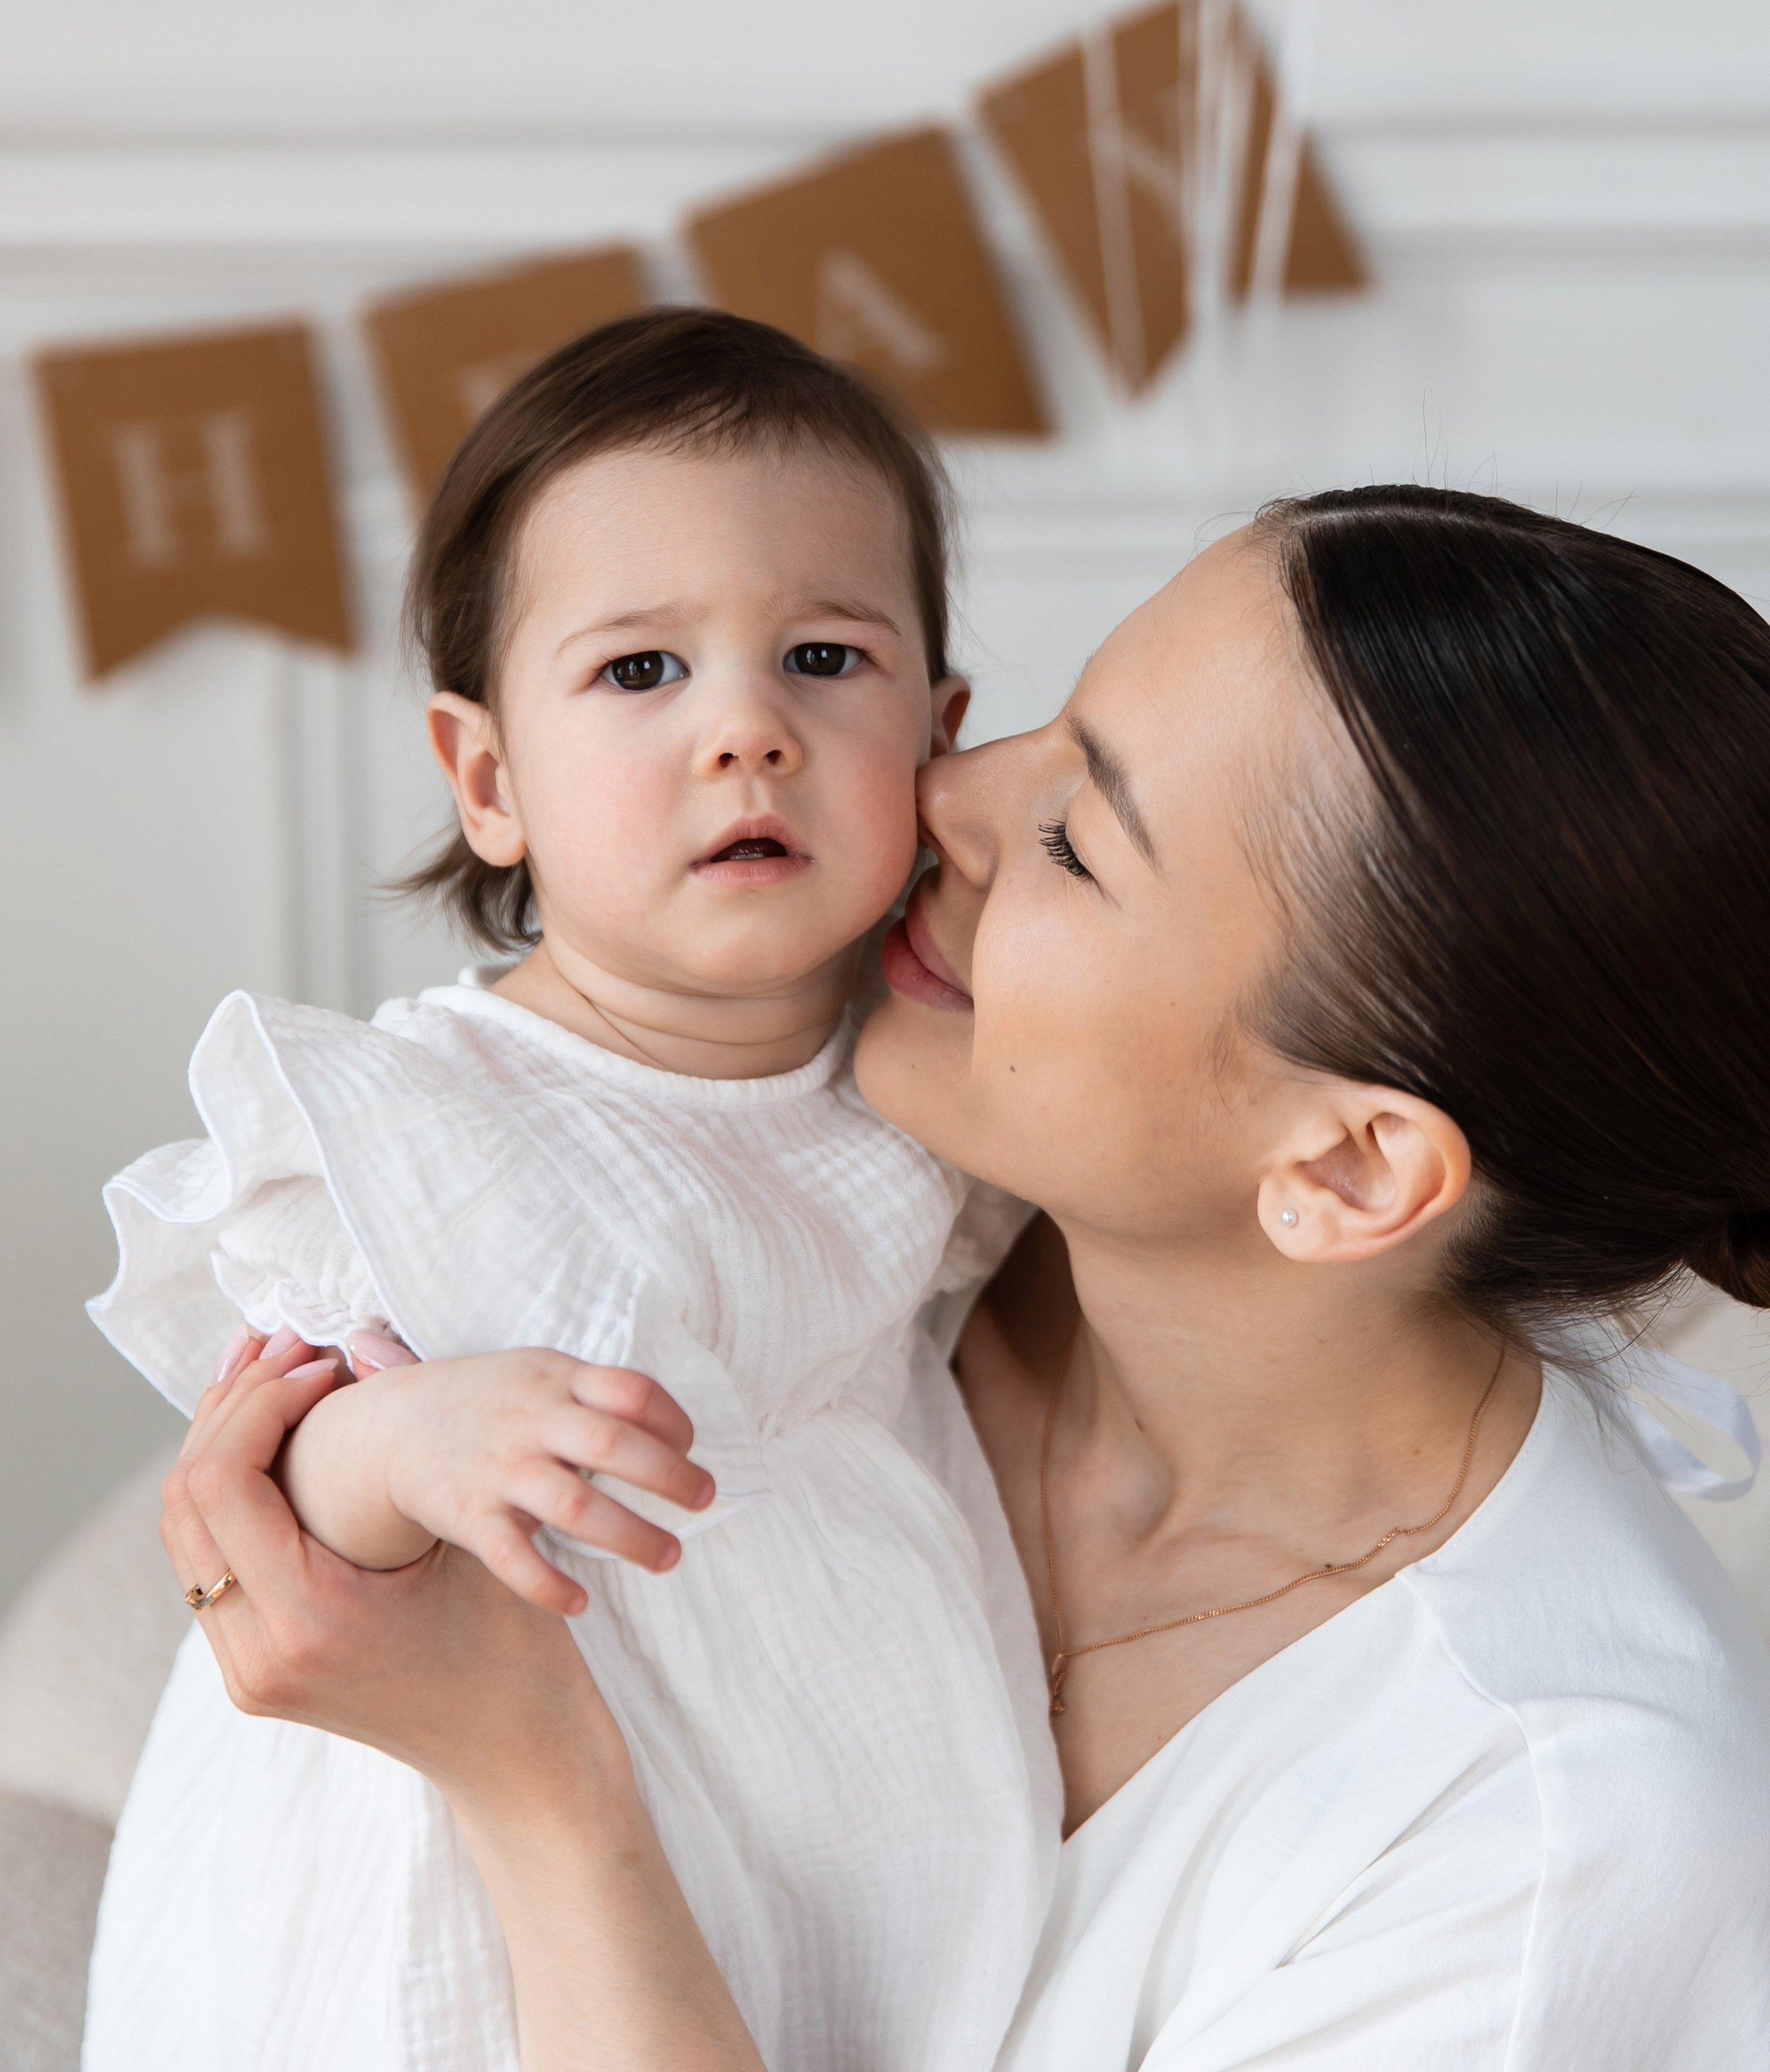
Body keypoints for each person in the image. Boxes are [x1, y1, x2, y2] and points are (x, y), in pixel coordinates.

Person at [157, 485, 1770, 2072]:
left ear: (1344, 1170)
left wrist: (531, 1781)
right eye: (1052, 719)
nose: (950, 791)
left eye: (1073, 841)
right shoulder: (843, 1244)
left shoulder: (1552, 1837)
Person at [83, 313, 1058, 2072]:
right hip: (442, 1850)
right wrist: (419, 1442)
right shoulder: (429, 1113)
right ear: (488, 779)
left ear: (941, 734)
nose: (747, 731)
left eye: (825, 657)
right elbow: (268, 1467)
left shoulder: (932, 1085)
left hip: (806, 1811)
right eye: (639, 675)